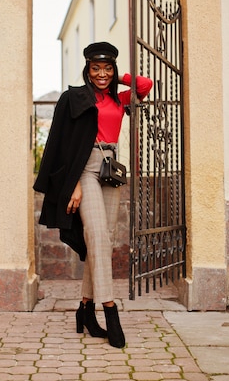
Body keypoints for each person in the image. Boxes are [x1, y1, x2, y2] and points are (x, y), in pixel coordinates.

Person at [33, 41, 153, 348]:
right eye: (96, 68)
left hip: (110, 171)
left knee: (103, 241)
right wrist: (71, 182)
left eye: (107, 68)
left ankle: (85, 309)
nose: (101, 74)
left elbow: (146, 84)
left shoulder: (120, 99)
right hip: (84, 170)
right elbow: (60, 143)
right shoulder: (75, 97)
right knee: (98, 234)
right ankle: (110, 310)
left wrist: (120, 78)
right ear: (87, 69)